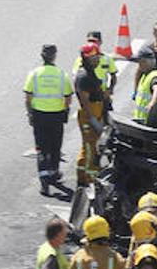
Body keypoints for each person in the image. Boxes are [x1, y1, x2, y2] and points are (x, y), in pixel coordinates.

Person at [23, 44, 74, 195]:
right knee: (55, 145)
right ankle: (54, 173)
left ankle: (44, 181)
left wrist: (30, 113)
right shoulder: (61, 74)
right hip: (56, 115)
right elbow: (68, 97)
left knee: (41, 148)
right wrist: (65, 110)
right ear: (54, 56)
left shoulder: (34, 74)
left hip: (39, 114)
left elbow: (28, 97)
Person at [73, 42, 107, 186]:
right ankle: (89, 179)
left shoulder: (89, 72)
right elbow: (85, 100)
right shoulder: (84, 76)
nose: (98, 59)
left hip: (95, 111)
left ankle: (84, 174)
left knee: (90, 146)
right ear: (87, 58)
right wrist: (93, 118)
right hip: (89, 114)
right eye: (95, 57)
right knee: (90, 148)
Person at [70, 30, 118, 98]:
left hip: (102, 93)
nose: (92, 43)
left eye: (95, 41)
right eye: (89, 41)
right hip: (87, 93)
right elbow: (76, 78)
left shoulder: (107, 59)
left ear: (100, 42)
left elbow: (113, 76)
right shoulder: (80, 59)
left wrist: (110, 89)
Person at [131, 47, 157, 124]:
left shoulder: (154, 76)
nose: (139, 65)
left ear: (147, 62)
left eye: (140, 62)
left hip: (150, 122)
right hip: (141, 120)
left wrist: (152, 103)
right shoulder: (145, 75)